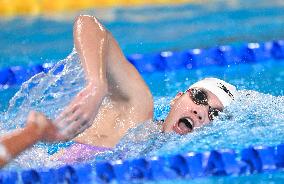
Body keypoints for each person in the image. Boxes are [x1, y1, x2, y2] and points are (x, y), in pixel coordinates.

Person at [49, 14, 237, 154]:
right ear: (176, 98)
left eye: (214, 113)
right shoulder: (135, 111)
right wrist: (96, 85)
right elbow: (88, 23)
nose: (200, 111)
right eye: (199, 96)